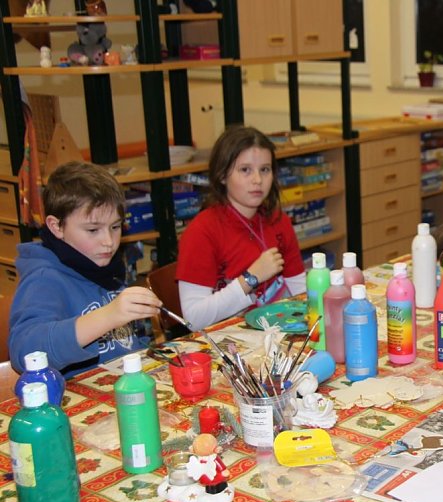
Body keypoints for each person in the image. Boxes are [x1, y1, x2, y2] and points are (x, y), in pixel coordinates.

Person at [9, 161, 161, 377]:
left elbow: (127, 343)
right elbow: (24, 352)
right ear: (56, 227)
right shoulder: (43, 278)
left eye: (115, 227)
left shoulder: (102, 265)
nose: (108, 241)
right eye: (92, 230)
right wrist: (106, 316)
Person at [177, 126, 306, 329]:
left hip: (274, 331)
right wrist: (250, 278)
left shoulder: (278, 220)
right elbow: (193, 320)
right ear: (221, 175)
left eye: (265, 170)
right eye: (245, 170)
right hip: (224, 339)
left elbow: (302, 293)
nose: (257, 180)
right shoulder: (202, 231)